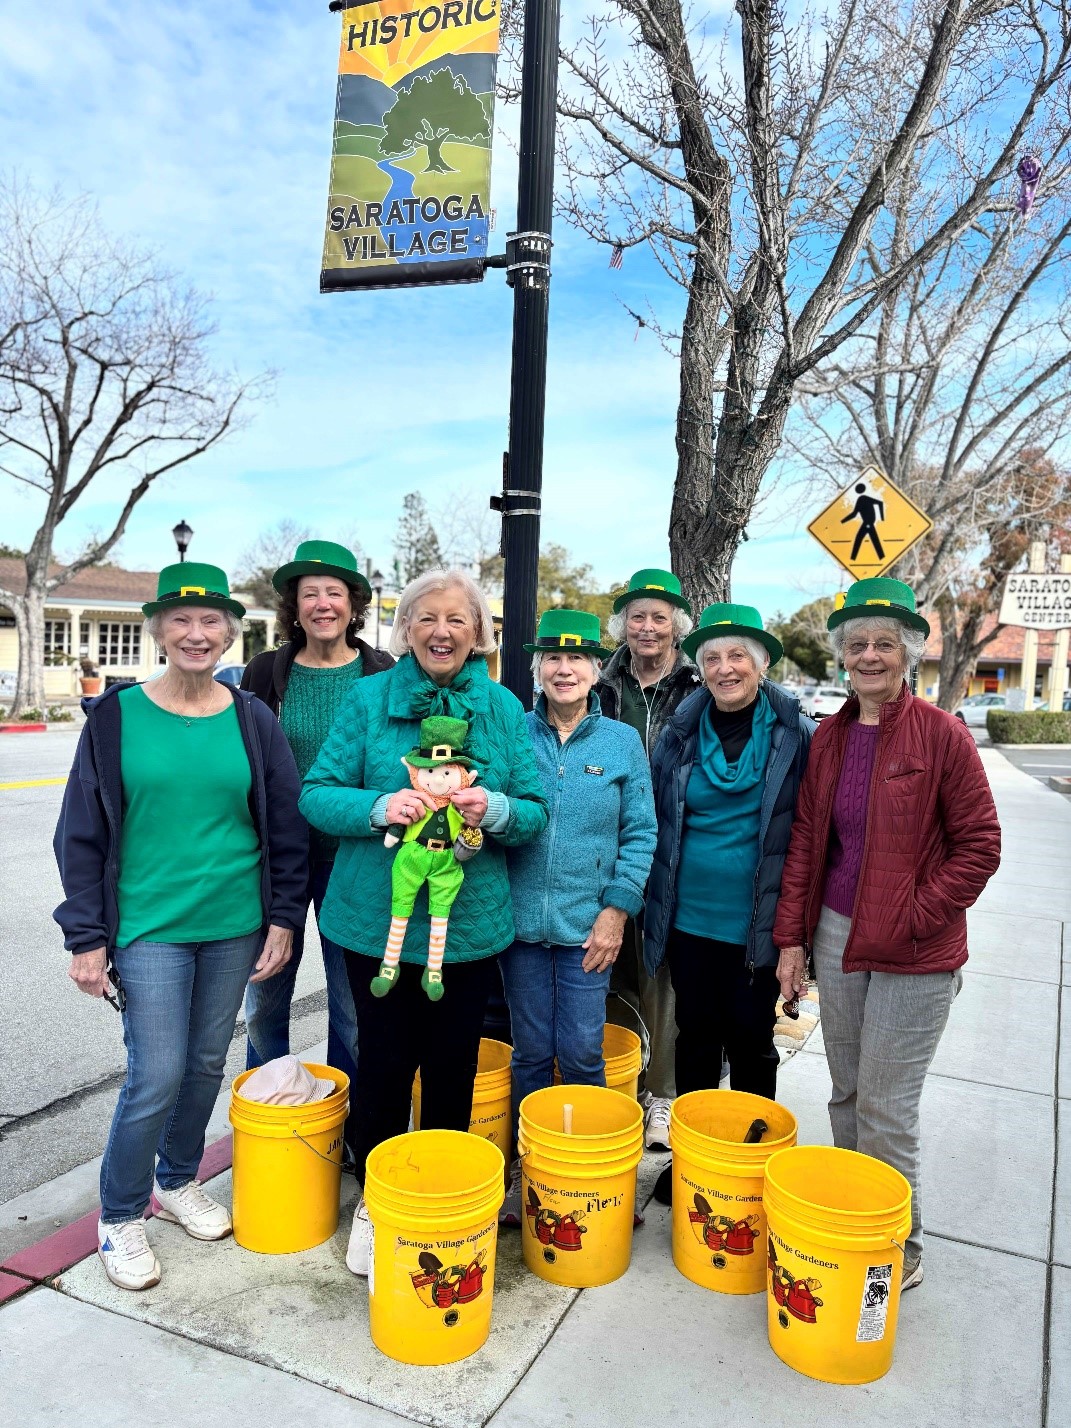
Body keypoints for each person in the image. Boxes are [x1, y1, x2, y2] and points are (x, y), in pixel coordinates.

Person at [54, 562, 307, 1292]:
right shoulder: (115, 718)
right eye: (181, 622)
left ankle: (175, 1179)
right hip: (149, 928)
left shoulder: (251, 717)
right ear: (158, 631)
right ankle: (121, 1214)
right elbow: (81, 835)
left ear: (228, 631)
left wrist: (283, 919)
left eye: (210, 623)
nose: (196, 634)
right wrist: (86, 935)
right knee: (156, 1071)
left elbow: (284, 827)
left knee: (203, 1064)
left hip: (234, 923)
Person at [298, 568, 549, 1276]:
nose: (442, 631)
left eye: (458, 620)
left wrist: (493, 810)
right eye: (427, 619)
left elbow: (531, 810)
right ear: (405, 629)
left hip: (465, 927)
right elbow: (316, 794)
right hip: (373, 921)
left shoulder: (501, 706)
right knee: (379, 1065)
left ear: (478, 634)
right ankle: (377, 1205)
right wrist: (380, 807)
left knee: (450, 1070)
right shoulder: (368, 699)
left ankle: (435, 1195)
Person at [774, 577, 1001, 1292]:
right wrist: (792, 942)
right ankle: (855, 1217)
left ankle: (901, 1244)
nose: (869, 656)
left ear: (906, 654)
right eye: (856, 645)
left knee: (886, 1105)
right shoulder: (832, 736)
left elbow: (979, 844)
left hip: (914, 951)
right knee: (844, 1093)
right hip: (838, 938)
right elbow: (809, 840)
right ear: (842, 657)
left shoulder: (941, 735)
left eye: (883, 644)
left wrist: (915, 913)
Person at [645, 603, 815, 1204]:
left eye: (738, 655)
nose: (725, 668)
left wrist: (799, 932)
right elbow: (655, 815)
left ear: (761, 664)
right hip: (688, 917)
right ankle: (692, 1162)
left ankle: (749, 1161)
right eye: (712, 658)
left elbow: (813, 831)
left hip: (759, 923)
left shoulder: (798, 735)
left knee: (750, 1041)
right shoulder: (680, 731)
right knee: (695, 1038)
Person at [499, 610, 657, 1224]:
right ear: (537, 669)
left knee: (583, 1052)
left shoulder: (620, 743)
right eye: (552, 660)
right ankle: (529, 1176)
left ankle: (595, 1174)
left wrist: (616, 911)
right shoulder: (515, 733)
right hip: (519, 929)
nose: (564, 670)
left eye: (578, 659)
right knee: (532, 1053)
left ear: (596, 669)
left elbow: (640, 834)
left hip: (590, 927)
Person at [240, 539, 393, 1158]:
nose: (323, 604)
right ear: (294, 607)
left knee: (352, 1003)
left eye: (335, 592)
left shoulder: (382, 672)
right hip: (278, 858)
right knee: (265, 993)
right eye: (310, 594)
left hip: (355, 857)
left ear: (353, 603)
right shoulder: (264, 673)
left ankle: (348, 1131)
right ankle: (270, 1121)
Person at [598, 568, 701, 1155]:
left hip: (672, 840)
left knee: (658, 965)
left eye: (659, 617)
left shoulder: (695, 684)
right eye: (637, 616)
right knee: (608, 962)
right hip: (604, 839)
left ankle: (661, 1092)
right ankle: (619, 1079)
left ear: (675, 627)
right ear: (624, 625)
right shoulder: (601, 681)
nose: (647, 627)